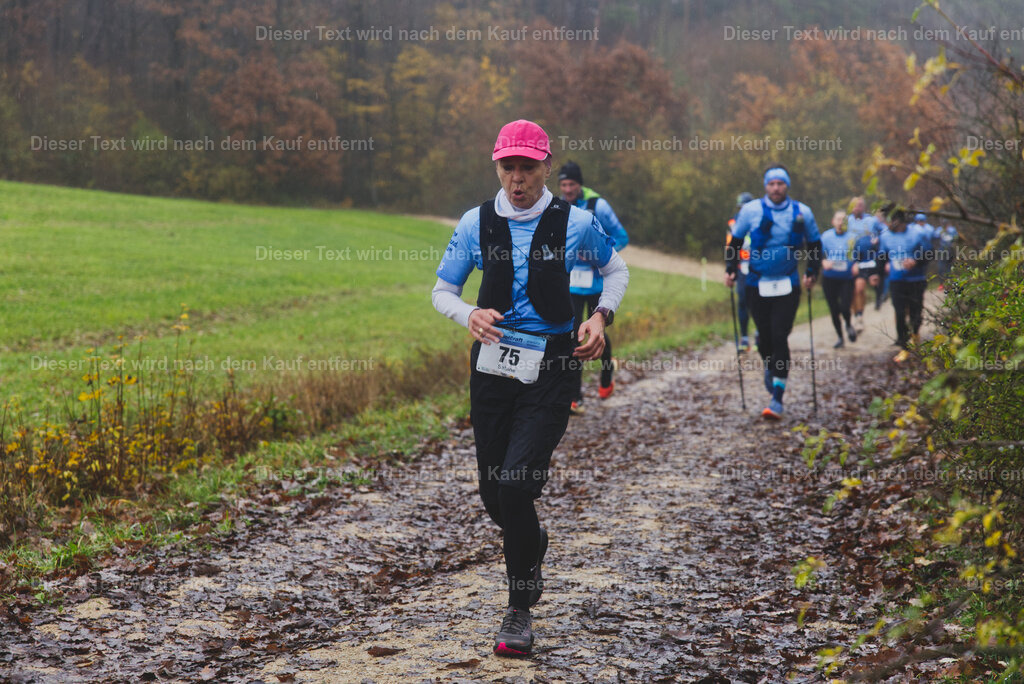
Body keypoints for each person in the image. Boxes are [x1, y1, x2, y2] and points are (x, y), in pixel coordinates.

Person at [431, 120, 629, 657]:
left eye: (527, 168)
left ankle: (518, 610)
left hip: (552, 364)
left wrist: (600, 317)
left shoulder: (576, 221)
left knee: (517, 487)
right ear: (496, 166)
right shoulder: (475, 222)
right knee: (494, 493)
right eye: (508, 168)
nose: (517, 179)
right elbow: (442, 291)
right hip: (492, 365)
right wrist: (469, 313)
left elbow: (615, 271)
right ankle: (532, 540)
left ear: (546, 167)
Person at [725, 164, 822, 419]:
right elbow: (735, 242)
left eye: (780, 183)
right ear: (765, 186)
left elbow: (815, 244)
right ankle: (771, 366)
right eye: (772, 184)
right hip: (756, 283)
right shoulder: (751, 210)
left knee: (780, 335)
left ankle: (777, 397)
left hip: (788, 283)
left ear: (786, 185)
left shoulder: (802, 212)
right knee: (764, 338)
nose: (776, 188)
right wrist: (730, 269)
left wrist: (812, 272)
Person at [558, 161, 629, 414]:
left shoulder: (598, 205)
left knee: (597, 332)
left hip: (598, 282)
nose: (567, 190)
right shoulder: (557, 206)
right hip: (572, 284)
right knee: (574, 335)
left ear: (580, 184)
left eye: (571, 184)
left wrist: (597, 255)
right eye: (563, 185)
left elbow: (622, 237)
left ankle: (607, 373)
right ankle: (575, 396)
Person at [877, 205, 934, 360]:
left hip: (916, 280)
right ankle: (904, 346)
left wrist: (915, 261)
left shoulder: (917, 233)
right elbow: (881, 256)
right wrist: (878, 272)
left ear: (897, 220)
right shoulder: (885, 236)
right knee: (900, 312)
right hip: (896, 281)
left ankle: (915, 336)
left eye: (889, 220)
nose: (886, 224)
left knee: (916, 311)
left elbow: (930, 253)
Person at [845, 197, 886, 327]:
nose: (857, 208)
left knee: (860, 288)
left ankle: (860, 315)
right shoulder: (847, 221)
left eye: (859, 205)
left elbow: (885, 231)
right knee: (853, 290)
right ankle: (856, 313)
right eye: (854, 205)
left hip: (869, 257)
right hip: (851, 258)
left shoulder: (871, 220)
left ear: (864, 207)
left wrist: (878, 239)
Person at [820, 210, 858, 348]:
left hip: (847, 278)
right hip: (829, 278)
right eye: (838, 219)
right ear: (833, 221)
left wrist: (856, 264)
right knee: (834, 309)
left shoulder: (853, 237)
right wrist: (824, 262)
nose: (841, 222)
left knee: (845, 306)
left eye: (843, 220)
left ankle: (848, 324)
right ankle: (840, 337)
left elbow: (860, 254)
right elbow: (818, 254)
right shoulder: (826, 236)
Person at [727, 192, 756, 351]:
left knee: (757, 301)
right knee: (743, 301)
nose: (743, 210)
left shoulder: (759, 220)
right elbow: (730, 247)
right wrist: (730, 267)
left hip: (758, 266)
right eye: (741, 207)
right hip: (741, 267)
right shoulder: (733, 223)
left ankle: (760, 333)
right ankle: (744, 337)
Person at [935, 221, 959, 288]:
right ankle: (941, 284)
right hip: (942, 251)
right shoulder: (939, 230)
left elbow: (956, 237)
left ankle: (950, 283)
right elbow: (935, 236)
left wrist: (952, 237)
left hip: (950, 250)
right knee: (941, 268)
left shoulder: (952, 229)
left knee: (949, 267)